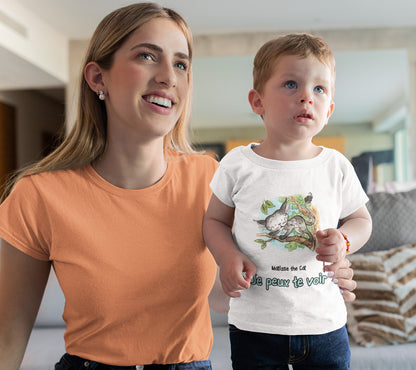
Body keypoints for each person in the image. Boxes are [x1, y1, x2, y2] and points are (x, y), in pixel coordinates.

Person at [0, 4, 357, 369]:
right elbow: (6, 338)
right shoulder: (37, 196)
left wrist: (312, 274)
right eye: (147, 56)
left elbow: (224, 299)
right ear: (97, 78)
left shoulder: (211, 179)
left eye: (181, 64)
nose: (168, 77)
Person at [203, 33, 372, 370]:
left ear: (329, 110)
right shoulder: (238, 164)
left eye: (319, 89)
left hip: (325, 323)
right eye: (291, 84)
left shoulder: (336, 165)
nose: (307, 97)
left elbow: (361, 220)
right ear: (257, 101)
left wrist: (345, 239)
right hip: (255, 325)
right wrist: (227, 256)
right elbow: (214, 221)